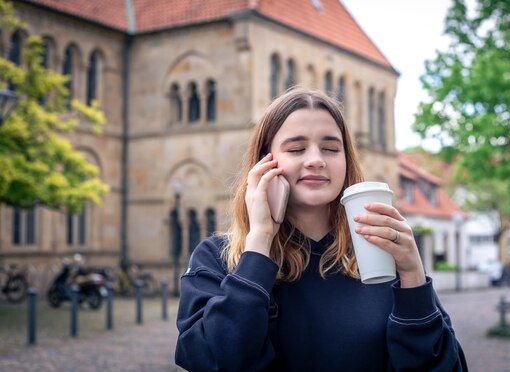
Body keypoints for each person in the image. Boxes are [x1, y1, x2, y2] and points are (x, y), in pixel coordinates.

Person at [175, 88, 468, 371]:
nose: (316, 160)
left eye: (330, 148)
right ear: (264, 164)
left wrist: (413, 277)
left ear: (346, 161)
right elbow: (214, 359)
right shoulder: (218, 259)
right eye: (296, 148)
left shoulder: (381, 258)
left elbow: (446, 366)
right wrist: (260, 242)